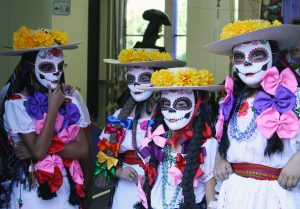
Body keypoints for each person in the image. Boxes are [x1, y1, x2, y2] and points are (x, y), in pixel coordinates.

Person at [205, 19, 300, 209]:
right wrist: (221, 155)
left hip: (277, 195)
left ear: (273, 56)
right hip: (235, 193)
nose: (247, 63)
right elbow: (224, 138)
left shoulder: (294, 96)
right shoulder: (231, 100)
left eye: (257, 55)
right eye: (239, 57)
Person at [0, 26, 91, 209]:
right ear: (30, 67)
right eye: (47, 66)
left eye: (60, 65)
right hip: (33, 190)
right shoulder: (16, 103)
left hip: (68, 188)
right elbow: (39, 151)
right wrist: (52, 109)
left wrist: (42, 151)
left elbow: (83, 149)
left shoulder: (71, 96)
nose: (56, 72)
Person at [94, 48, 186, 209]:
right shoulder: (119, 117)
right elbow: (102, 157)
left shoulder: (171, 116)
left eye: (143, 78)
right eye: (131, 78)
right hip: (125, 191)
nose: (136, 84)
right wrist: (117, 170)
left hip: (161, 188)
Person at [134, 67, 223, 209]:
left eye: (181, 104)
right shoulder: (156, 140)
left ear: (197, 108)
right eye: (166, 104)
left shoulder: (207, 145)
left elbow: (211, 198)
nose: (171, 110)